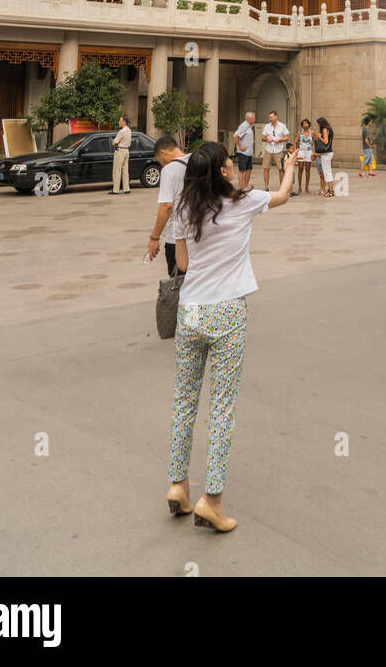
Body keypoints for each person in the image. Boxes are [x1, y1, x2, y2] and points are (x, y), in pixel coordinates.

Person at [165, 141, 296, 531]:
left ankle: (178, 485)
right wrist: (288, 165)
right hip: (228, 312)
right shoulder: (246, 200)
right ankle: (214, 501)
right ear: (223, 171)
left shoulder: (183, 209)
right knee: (220, 408)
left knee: (184, 401)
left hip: (190, 312)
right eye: (228, 163)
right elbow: (284, 196)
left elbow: (183, 263)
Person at [148, 135, 189, 275]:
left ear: (163, 153)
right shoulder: (197, 161)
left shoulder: (169, 170)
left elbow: (166, 206)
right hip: (200, 235)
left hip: (177, 238)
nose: (162, 165)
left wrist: (154, 238)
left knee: (178, 286)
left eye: (160, 162)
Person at [261, 110, 289, 188]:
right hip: (268, 149)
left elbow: (287, 137)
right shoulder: (267, 126)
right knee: (266, 168)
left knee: (281, 169)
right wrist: (267, 139)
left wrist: (280, 140)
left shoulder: (282, 126)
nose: (270, 119)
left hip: (278, 150)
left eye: (271, 117)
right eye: (269, 117)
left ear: (276, 117)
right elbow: (263, 137)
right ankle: (266, 186)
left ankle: (282, 186)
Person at [233, 111, 256, 190]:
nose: (255, 119)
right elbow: (235, 136)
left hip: (249, 152)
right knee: (242, 170)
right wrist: (240, 146)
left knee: (249, 169)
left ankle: (246, 187)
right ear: (250, 119)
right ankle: (241, 187)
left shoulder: (249, 126)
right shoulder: (244, 126)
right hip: (243, 152)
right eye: (254, 118)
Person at [110, 114, 132, 195]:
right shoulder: (129, 130)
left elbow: (114, 143)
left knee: (117, 170)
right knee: (125, 170)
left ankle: (115, 189)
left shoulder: (121, 131)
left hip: (120, 151)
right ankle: (127, 189)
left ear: (124, 122)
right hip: (127, 151)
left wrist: (114, 143)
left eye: (120, 121)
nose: (119, 122)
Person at [313, 117, 334, 198]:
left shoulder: (324, 129)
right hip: (329, 152)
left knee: (327, 172)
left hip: (326, 153)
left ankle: (331, 191)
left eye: (318, 123)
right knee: (327, 171)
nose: (318, 125)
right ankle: (330, 190)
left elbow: (325, 141)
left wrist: (319, 137)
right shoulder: (330, 129)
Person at [294, 119, 314, 196]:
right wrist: (296, 152)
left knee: (308, 170)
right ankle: (299, 188)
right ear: (302, 125)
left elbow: (315, 142)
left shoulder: (312, 133)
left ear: (309, 124)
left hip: (309, 152)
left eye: (306, 123)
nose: (305, 125)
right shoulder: (300, 133)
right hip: (301, 152)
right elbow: (295, 142)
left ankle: (306, 187)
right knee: (300, 169)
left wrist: (314, 153)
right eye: (303, 124)